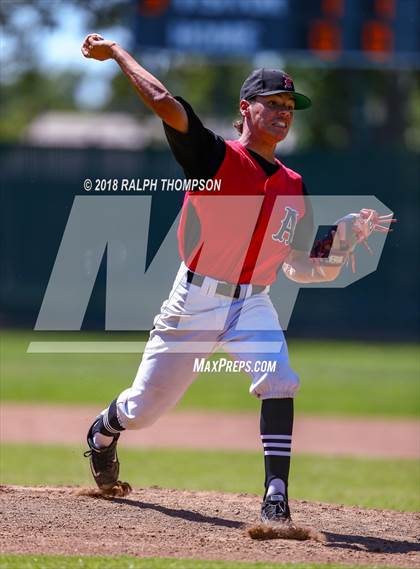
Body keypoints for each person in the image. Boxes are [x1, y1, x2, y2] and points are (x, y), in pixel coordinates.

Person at [80, 34, 373, 525]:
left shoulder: (293, 185)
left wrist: (338, 245)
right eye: (272, 102)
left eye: (289, 105)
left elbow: (298, 265)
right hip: (194, 301)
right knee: (144, 409)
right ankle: (103, 432)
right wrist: (118, 55)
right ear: (246, 108)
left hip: (252, 303)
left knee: (279, 378)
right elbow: (163, 102)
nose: (283, 111)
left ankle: (275, 497)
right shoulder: (213, 159)